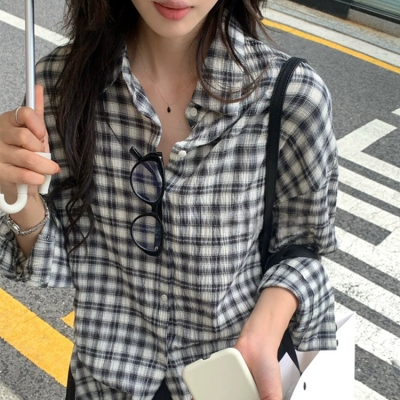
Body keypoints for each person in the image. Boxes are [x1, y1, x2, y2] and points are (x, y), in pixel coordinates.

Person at [0, 0, 338, 399]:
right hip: (103, 384)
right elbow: (60, 258)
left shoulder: (291, 95)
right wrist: (16, 190)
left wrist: (264, 331)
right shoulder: (61, 84)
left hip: (230, 383)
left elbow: (303, 244)